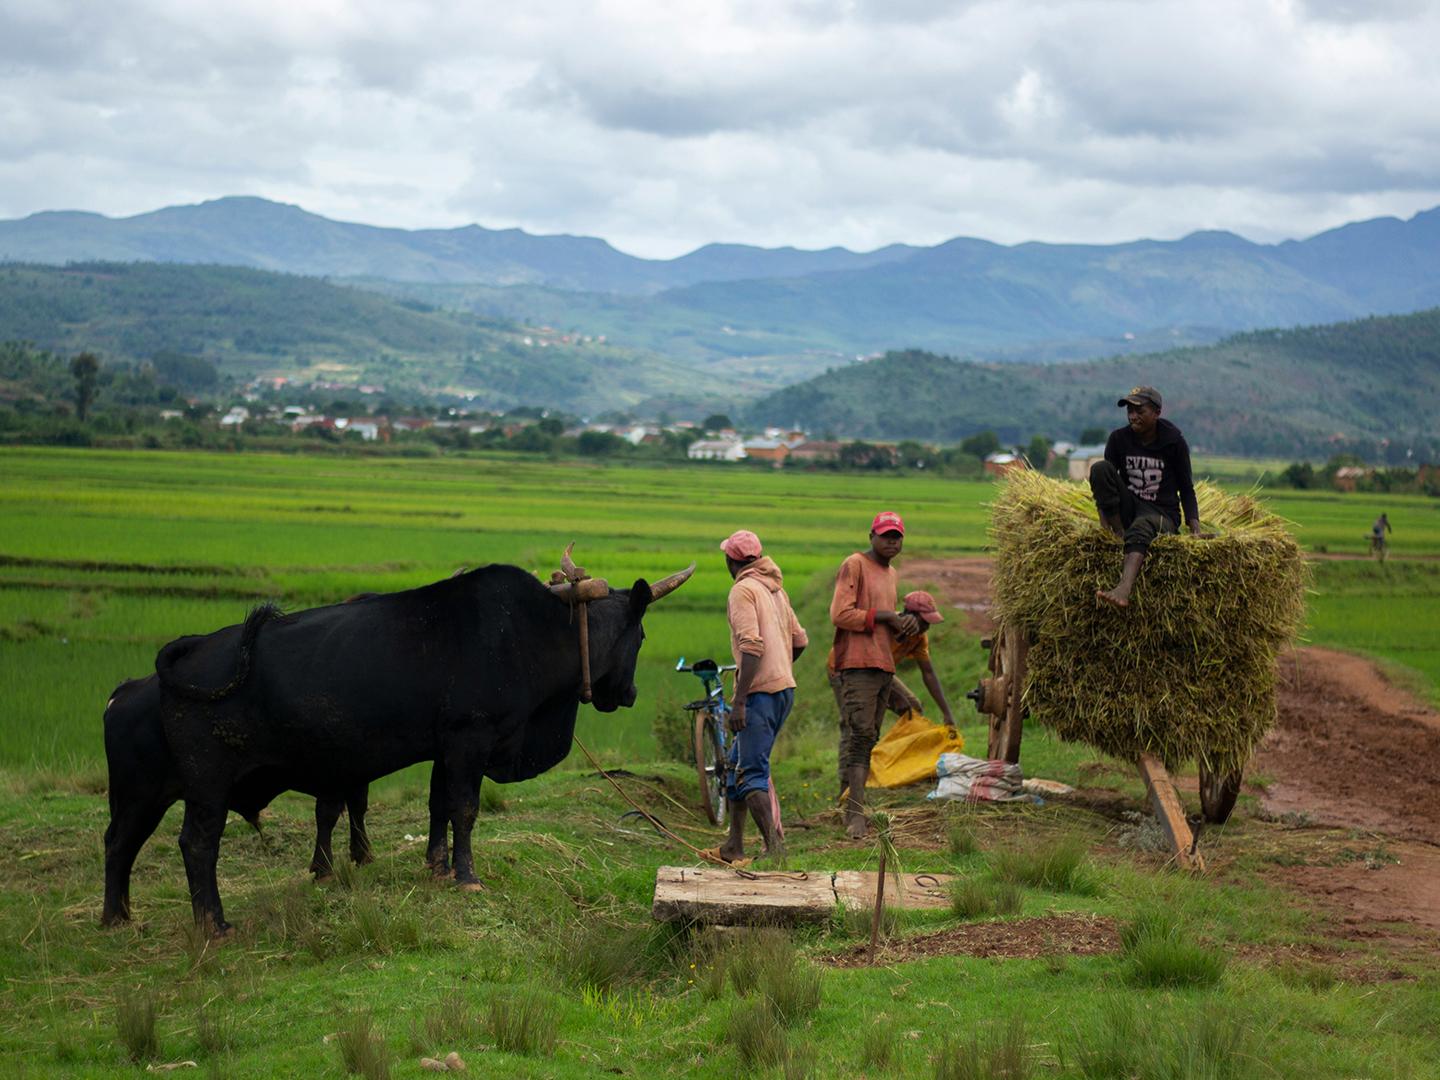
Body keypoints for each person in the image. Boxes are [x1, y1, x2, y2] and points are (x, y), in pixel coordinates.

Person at [714, 529, 808, 864]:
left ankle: (776, 851)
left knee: (751, 773)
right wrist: (779, 668)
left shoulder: (743, 590)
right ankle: (733, 846)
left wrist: (739, 701)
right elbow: (800, 641)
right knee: (736, 766)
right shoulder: (775, 589)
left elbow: (751, 646)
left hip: (759, 697)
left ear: (732, 560)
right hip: (784, 691)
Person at [829, 511, 920, 838]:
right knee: (859, 737)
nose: (892, 541)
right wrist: (886, 616)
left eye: (897, 536)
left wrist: (902, 623)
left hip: (882, 664)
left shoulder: (891, 573)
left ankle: (850, 806)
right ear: (871, 536)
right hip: (857, 663)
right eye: (886, 535)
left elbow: (884, 625)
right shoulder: (855, 564)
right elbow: (840, 614)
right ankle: (854, 815)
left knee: (867, 737)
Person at [827, 589, 956, 797]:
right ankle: (847, 787)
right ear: (908, 616)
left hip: (882, 670)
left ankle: (901, 763)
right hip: (846, 668)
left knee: (912, 709)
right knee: (854, 726)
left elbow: (929, 674)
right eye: (924, 622)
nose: (926, 628)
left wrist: (947, 712)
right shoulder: (884, 626)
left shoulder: (918, 638)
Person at [1089, 386, 1203, 609]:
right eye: (1130, 411)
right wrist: (1105, 530)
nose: (1133, 416)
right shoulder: (1118, 439)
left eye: (1140, 411)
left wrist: (1194, 527)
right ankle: (1121, 534)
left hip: (1162, 515)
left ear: (1157, 413)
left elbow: (1187, 489)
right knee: (1100, 469)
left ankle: (1124, 588)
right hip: (1131, 506)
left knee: (1143, 525)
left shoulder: (1174, 442)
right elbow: (1105, 487)